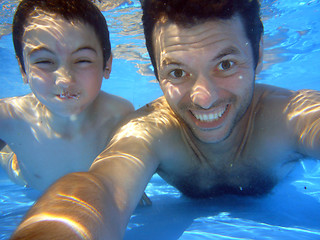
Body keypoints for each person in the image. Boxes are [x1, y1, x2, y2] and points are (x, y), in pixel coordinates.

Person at [10, 0, 320, 239]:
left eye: (226, 64)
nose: (204, 97)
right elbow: (101, 186)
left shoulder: (290, 115)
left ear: (259, 53)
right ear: (156, 73)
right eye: (177, 73)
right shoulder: (152, 130)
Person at [0, 0, 136, 191]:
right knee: (10, 161)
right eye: (45, 61)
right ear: (23, 69)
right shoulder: (8, 117)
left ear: (107, 64)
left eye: (82, 60)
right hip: (24, 177)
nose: (64, 80)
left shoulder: (120, 115)